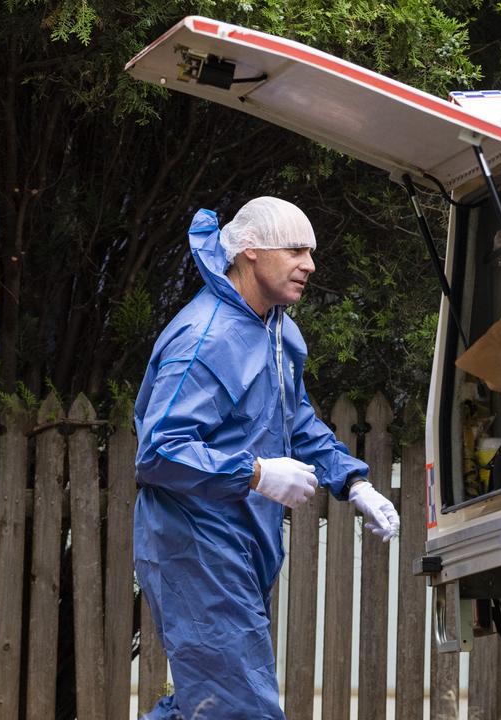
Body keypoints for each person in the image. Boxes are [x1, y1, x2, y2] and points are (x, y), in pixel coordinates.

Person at [133, 197, 401, 719]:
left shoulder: (274, 330)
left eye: (312, 251)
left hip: (238, 544)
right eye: (297, 250)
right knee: (239, 709)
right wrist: (255, 472)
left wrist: (353, 483)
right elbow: (159, 451)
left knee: (208, 705)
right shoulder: (206, 338)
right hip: (196, 545)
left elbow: (296, 419)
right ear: (250, 252)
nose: (311, 264)